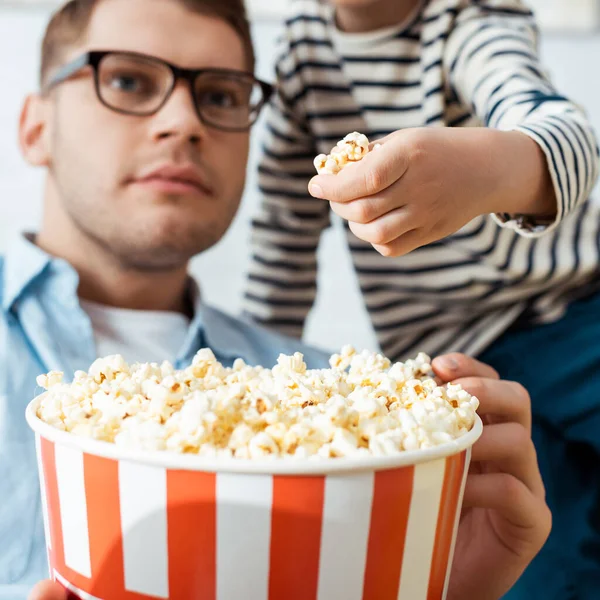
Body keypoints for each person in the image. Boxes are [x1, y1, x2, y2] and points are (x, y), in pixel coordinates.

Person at [0, 0, 549, 598]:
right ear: (35, 127)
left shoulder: (344, 415)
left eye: (220, 96)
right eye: (128, 81)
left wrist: (437, 584)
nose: (184, 121)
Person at [242, 0, 600, 597]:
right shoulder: (304, 55)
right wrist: (256, 382)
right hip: (457, 368)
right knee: (543, 559)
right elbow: (282, 236)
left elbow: (569, 139)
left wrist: (488, 171)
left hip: (576, 315)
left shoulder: (466, 19)